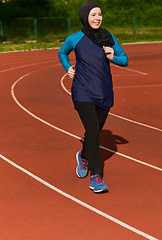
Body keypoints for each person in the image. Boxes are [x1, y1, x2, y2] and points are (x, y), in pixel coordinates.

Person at [58, 1, 128, 193]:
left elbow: (125, 60)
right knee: (93, 132)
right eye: (93, 15)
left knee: (93, 131)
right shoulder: (75, 39)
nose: (97, 18)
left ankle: (83, 156)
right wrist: (68, 68)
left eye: (99, 15)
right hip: (82, 92)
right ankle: (96, 177)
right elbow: (62, 52)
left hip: (104, 92)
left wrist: (113, 57)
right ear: (84, 17)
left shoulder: (108, 37)